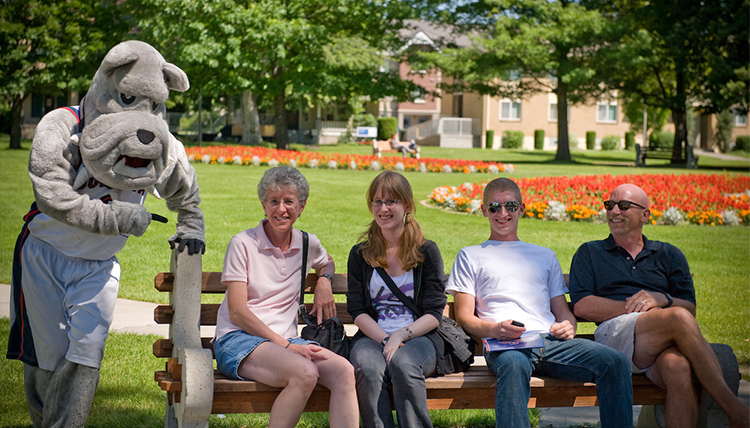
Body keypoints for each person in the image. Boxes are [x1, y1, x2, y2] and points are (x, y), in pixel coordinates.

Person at [446, 177, 633, 428]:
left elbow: (562, 311)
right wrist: (494, 329)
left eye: (510, 206)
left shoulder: (544, 256)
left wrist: (569, 326)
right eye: (494, 207)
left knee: (615, 362)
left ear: (521, 209)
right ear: (483, 210)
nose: (503, 213)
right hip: (504, 344)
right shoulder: (470, 255)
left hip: (549, 341)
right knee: (513, 366)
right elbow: (464, 317)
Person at [569, 183, 750, 428]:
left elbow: (689, 309)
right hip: (614, 338)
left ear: (645, 214)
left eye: (623, 206)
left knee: (677, 367)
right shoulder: (590, 252)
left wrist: (663, 299)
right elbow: (581, 306)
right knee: (677, 318)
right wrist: (639, 307)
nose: (613, 211)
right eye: (609, 205)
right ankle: (735, 410)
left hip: (657, 341)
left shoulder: (669, 254)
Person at [212, 166, 358, 428]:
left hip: (288, 342)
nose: (281, 209)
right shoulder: (242, 244)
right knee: (305, 372)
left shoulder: (307, 243)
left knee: (344, 371)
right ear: (263, 204)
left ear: (301, 206)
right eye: (274, 201)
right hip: (238, 340)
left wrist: (324, 279)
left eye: (289, 201)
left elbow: (327, 262)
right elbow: (237, 312)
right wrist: (287, 346)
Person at [346, 170, 448, 428]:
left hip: (419, 337)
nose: (383, 208)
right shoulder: (361, 254)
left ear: (407, 205)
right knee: (367, 366)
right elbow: (358, 310)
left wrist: (400, 335)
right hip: (373, 336)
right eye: (377, 201)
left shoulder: (426, 251)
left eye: (391, 201)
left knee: (403, 362)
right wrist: (384, 339)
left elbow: (435, 312)